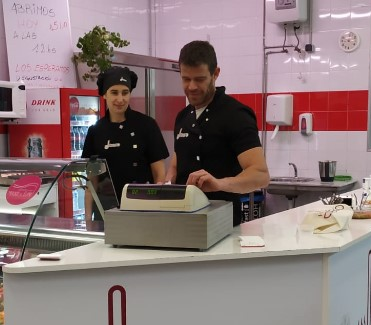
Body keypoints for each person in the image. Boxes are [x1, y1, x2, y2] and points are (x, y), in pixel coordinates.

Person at [166, 40, 270, 226]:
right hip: (183, 222)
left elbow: (260, 175)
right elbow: (176, 162)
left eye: (199, 79)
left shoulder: (236, 114)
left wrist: (219, 184)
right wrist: (166, 185)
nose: (191, 87)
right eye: (186, 79)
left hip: (223, 224)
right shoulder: (183, 116)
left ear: (215, 74)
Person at [81, 66, 169, 220]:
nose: (120, 99)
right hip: (105, 214)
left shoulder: (147, 125)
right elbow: (91, 184)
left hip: (142, 211)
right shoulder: (95, 131)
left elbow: (159, 175)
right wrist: (88, 221)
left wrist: (158, 213)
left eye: (125, 92)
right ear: (104, 95)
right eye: (114, 92)